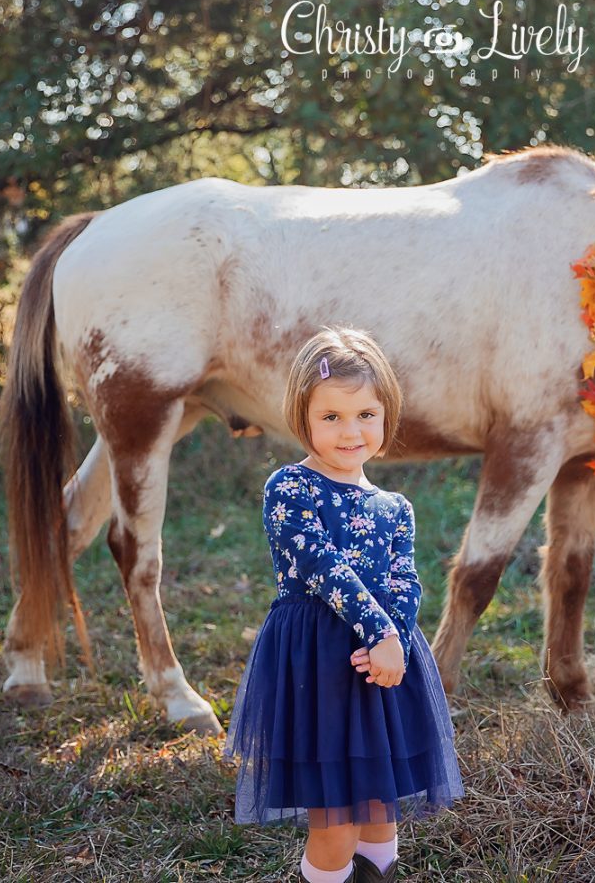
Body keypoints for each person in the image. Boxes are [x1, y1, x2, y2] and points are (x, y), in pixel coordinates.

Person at [225, 326, 464, 882]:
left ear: (386, 416)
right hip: (321, 669)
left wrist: (397, 643)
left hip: (383, 670)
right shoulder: (290, 488)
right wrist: (378, 631)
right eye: (330, 417)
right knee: (335, 824)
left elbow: (407, 581)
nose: (350, 431)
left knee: (381, 818)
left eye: (365, 415)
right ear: (301, 418)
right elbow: (320, 566)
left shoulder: (395, 507)